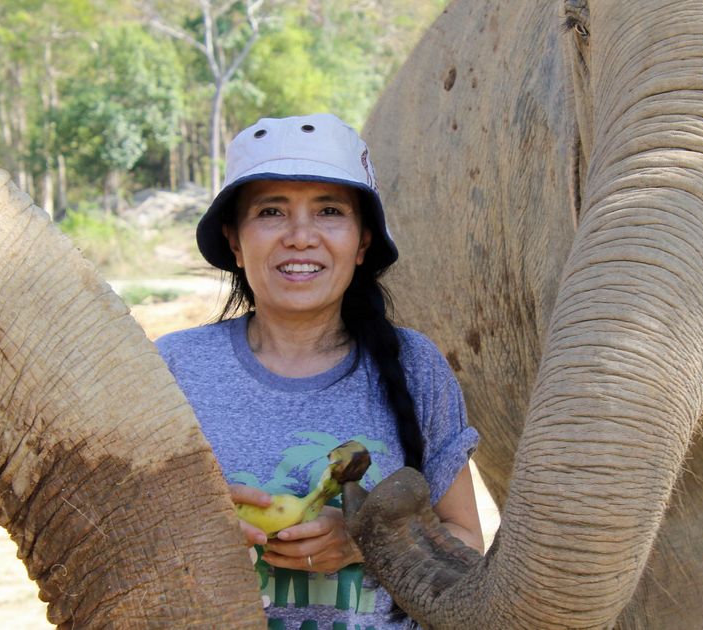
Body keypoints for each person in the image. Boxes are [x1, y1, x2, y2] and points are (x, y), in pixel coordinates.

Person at [156, 113, 482, 629]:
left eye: (329, 211)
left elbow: (466, 544)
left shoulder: (416, 365)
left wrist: (366, 542)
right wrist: (199, 533)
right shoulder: (173, 368)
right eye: (271, 212)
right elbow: (115, 542)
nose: (301, 237)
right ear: (235, 241)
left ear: (363, 242)